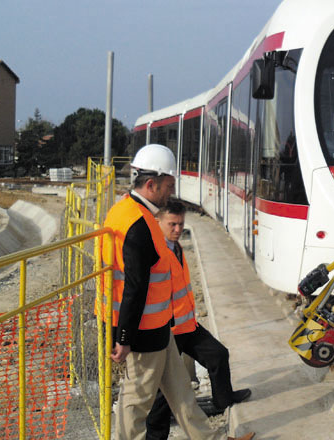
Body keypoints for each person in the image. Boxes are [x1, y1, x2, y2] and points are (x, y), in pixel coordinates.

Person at [104, 144, 253, 440]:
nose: (171, 193)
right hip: (143, 333)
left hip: (160, 329)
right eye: (168, 186)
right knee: (136, 403)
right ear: (151, 184)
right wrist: (124, 337)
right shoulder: (137, 224)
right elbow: (134, 288)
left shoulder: (129, 211)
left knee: (182, 396)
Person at [146, 199, 251, 440]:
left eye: (181, 224)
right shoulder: (155, 251)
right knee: (162, 394)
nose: (177, 229)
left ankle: (223, 400)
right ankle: (155, 436)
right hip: (166, 331)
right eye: (172, 224)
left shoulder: (176, 246)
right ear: (157, 221)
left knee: (218, 355)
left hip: (186, 324)